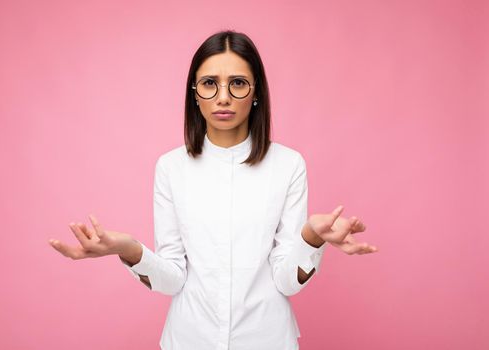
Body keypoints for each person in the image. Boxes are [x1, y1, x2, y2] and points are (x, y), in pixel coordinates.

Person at [49, 30, 378, 350]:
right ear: (194, 92)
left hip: (267, 339)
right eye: (209, 84)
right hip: (189, 339)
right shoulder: (170, 168)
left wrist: (311, 237)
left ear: (256, 91)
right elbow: (173, 279)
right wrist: (129, 249)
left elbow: (285, 281)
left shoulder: (288, 165)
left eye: (237, 83)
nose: (223, 97)